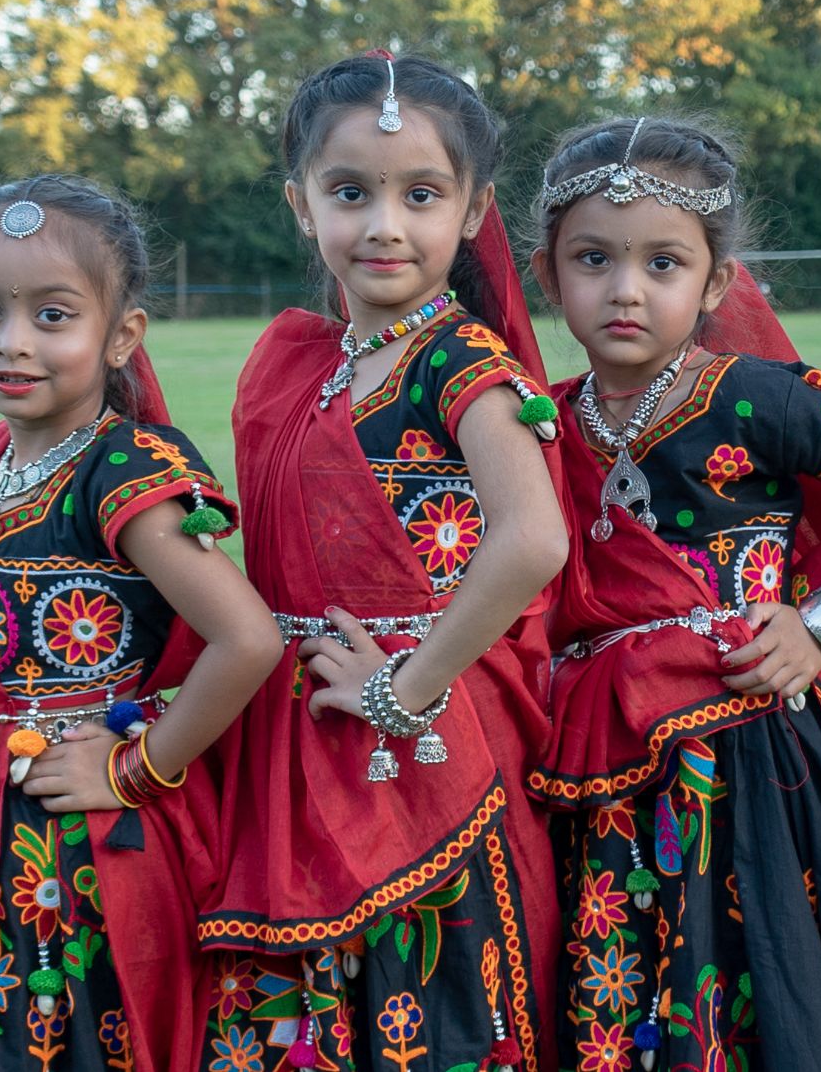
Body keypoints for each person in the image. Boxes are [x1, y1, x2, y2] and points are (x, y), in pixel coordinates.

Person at [0, 175, 284, 1072]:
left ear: (122, 336)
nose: (12, 342)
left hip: (80, 826)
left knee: (71, 1025)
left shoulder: (124, 472)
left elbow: (249, 637)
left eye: (53, 316)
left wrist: (139, 765)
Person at [527, 115, 821, 1071]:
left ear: (716, 282)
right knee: (621, 973)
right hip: (601, 757)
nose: (626, 288)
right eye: (593, 259)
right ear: (548, 276)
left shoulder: (756, 394)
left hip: (750, 748)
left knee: (756, 964)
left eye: (664, 263)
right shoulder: (541, 422)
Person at [200, 53, 568, 1072]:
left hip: (421, 730)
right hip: (300, 721)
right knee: (308, 1002)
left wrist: (406, 687)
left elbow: (534, 537)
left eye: (421, 195)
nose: (384, 225)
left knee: (430, 993)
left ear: (473, 209)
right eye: (350, 192)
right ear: (300, 204)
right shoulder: (301, 362)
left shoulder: (461, 361)